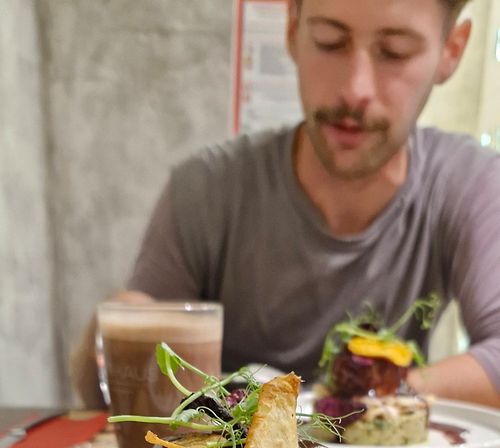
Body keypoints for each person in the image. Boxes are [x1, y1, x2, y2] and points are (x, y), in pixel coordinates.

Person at [71, 0, 500, 409]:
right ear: (292, 30)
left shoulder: (468, 183)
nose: (355, 89)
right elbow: (111, 386)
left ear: (451, 51)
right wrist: (111, 334)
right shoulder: (206, 188)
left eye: (395, 52)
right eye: (330, 42)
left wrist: (378, 394)